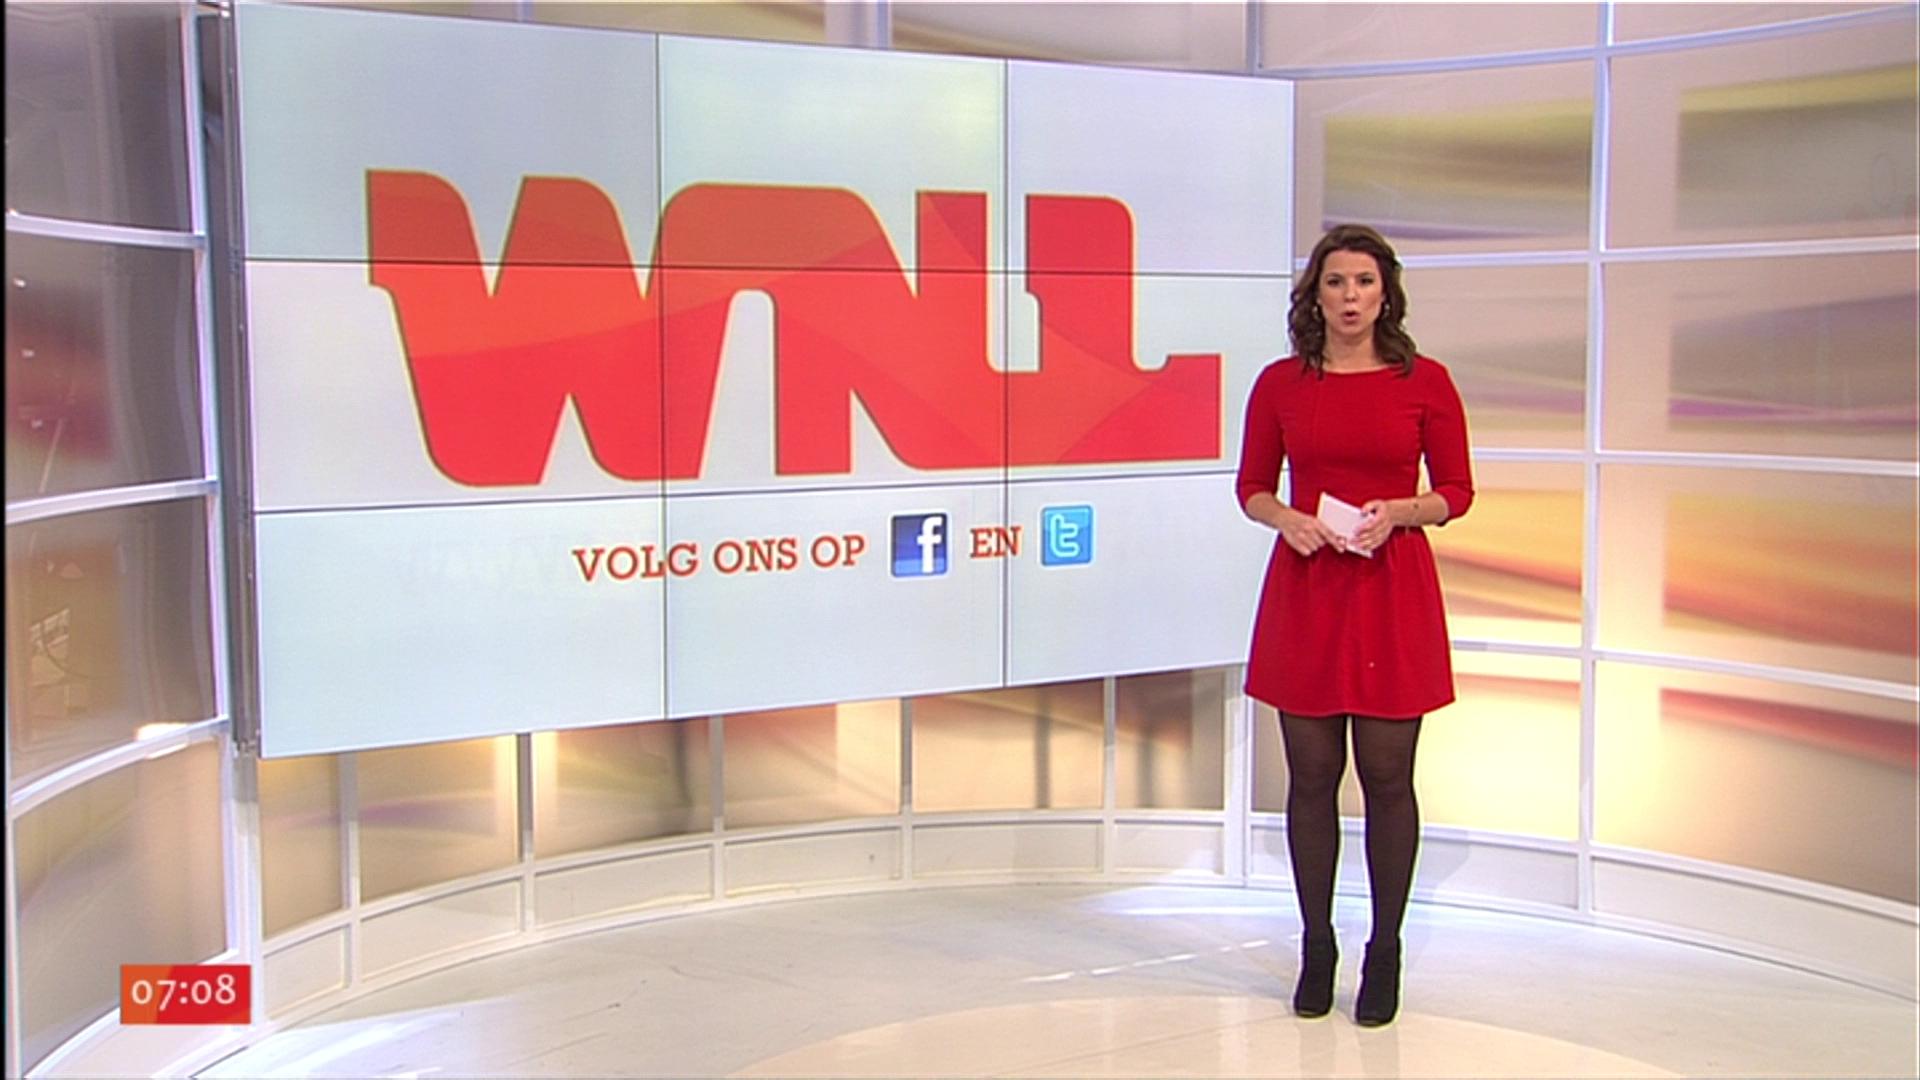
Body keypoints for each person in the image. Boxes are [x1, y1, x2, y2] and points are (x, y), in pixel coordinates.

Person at [1234, 223, 1474, 1027]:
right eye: (1336, 282)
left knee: (1386, 778)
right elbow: (1252, 487)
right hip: (1307, 588)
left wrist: (1399, 511)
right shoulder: (1280, 383)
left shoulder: (1426, 381)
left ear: (1385, 294)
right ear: (1316, 294)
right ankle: (1317, 946)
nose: (1350, 297)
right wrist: (1288, 520)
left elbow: (1457, 492)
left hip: (1390, 588)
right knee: (1309, 779)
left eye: (1364, 282)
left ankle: (1385, 952)